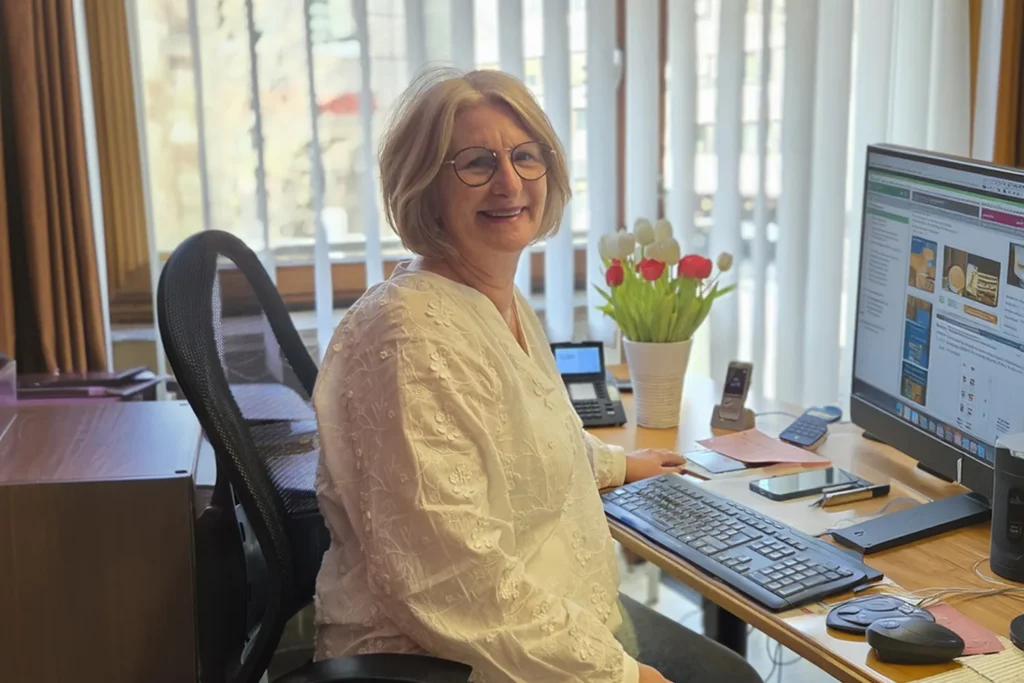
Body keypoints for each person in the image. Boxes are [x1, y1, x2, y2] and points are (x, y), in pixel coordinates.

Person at [312, 67, 762, 683]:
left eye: (526, 156)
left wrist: (611, 464)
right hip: (440, 660)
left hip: (536, 619)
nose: (509, 181)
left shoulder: (493, 296)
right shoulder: (410, 335)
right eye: (476, 163)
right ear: (424, 185)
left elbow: (518, 437)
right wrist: (623, 677)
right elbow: (451, 579)